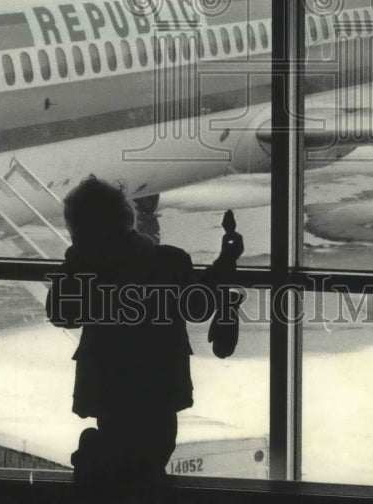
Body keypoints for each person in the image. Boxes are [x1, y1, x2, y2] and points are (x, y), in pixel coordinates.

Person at [46, 176, 243, 500]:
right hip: (160, 387)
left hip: (109, 390)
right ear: (129, 218)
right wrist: (225, 262)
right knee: (153, 460)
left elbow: (59, 313)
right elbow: (199, 305)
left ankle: (95, 460)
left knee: (126, 463)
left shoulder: (87, 273)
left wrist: (76, 259)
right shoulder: (170, 261)